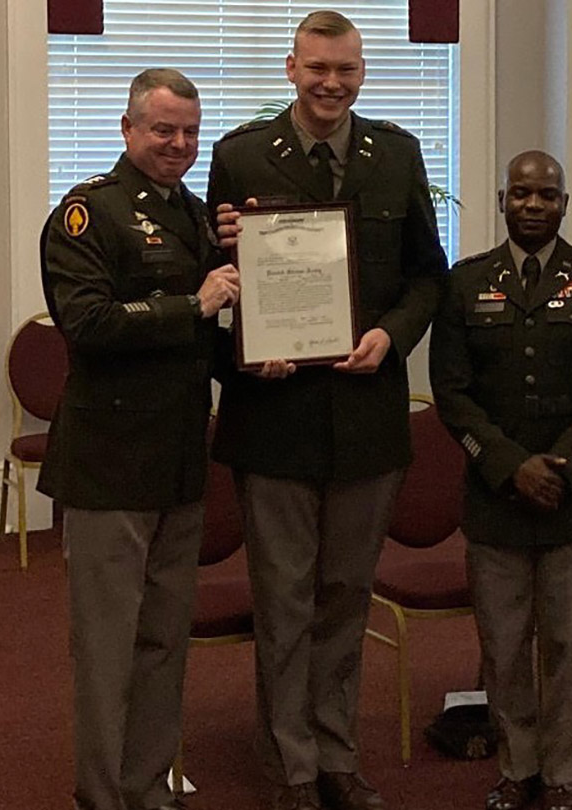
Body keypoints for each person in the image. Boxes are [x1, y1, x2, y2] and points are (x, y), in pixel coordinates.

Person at [205, 10, 448, 810]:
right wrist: (246, 336)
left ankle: (338, 754)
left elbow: (426, 276)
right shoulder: (240, 156)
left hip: (367, 413)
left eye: (345, 70)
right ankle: (292, 765)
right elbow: (212, 279)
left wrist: (391, 334)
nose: (331, 84)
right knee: (282, 599)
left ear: (362, 73)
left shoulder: (395, 154)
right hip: (273, 415)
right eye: (317, 68)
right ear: (290, 68)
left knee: (345, 593)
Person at [37, 68, 240, 810]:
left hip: (180, 460)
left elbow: (203, 338)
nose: (179, 144)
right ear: (128, 130)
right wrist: (194, 302)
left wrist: (260, 352)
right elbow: (88, 326)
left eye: (190, 131)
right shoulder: (89, 216)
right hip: (109, 464)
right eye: (163, 129)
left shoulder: (194, 217)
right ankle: (102, 796)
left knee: (163, 643)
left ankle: (148, 785)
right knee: (106, 650)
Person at [429, 151, 572, 810]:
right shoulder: (465, 284)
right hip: (496, 500)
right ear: (502, 202)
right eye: (520, 193)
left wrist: (563, 467)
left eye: (545, 194)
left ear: (564, 203)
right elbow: (451, 391)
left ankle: (560, 774)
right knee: (503, 644)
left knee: (571, 644)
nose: (532, 204)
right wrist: (507, 464)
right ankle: (516, 765)